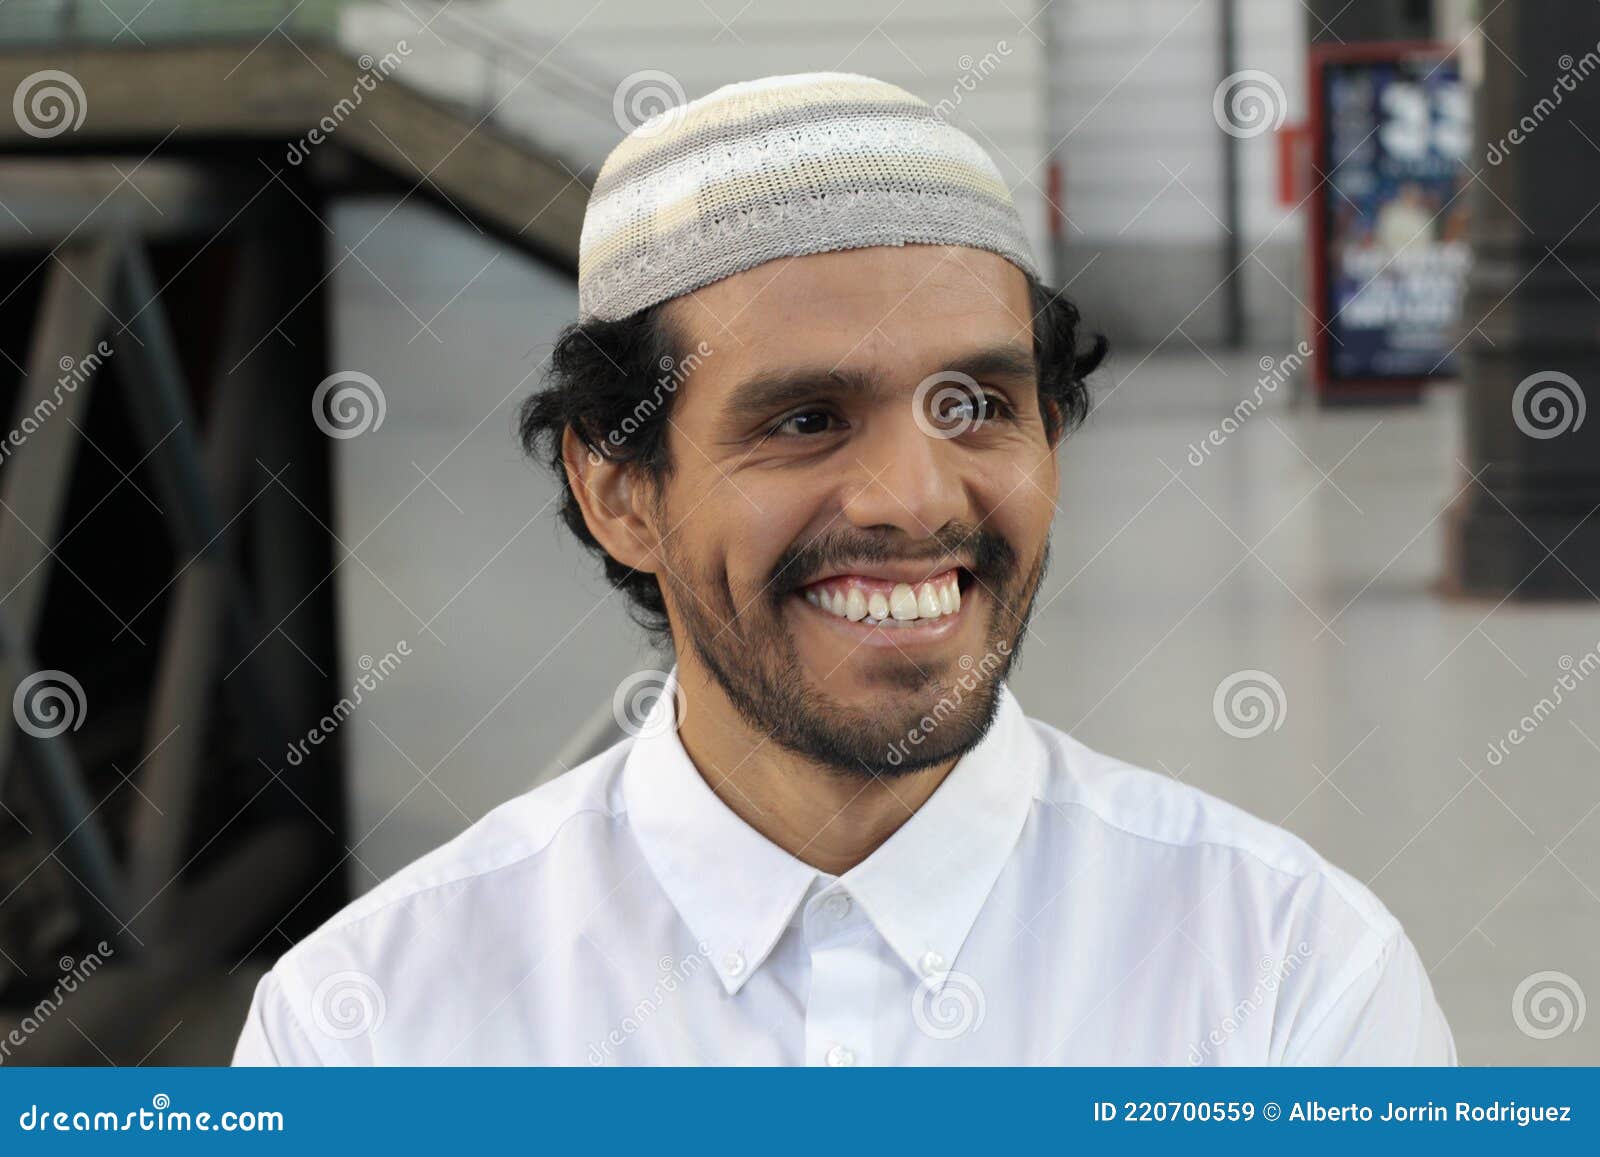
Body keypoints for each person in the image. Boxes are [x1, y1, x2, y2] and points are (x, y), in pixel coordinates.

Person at [233, 71, 1455, 1066]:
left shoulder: (1289, 978)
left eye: (974, 405)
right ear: (619, 491)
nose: (914, 499)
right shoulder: (372, 1024)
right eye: (806, 420)